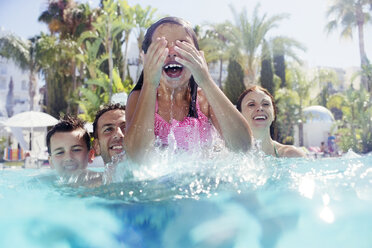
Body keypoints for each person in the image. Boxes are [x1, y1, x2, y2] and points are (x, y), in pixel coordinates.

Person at [124, 16, 252, 163]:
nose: (172, 52)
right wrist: (149, 83)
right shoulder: (138, 98)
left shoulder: (205, 100)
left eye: (182, 44)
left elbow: (243, 147)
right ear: (146, 58)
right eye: (162, 46)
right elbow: (136, 158)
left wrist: (206, 80)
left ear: (199, 56)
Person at [236, 85, 306, 158]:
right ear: (240, 115)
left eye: (265, 104)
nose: (260, 108)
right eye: (251, 104)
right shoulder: (232, 157)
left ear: (273, 114)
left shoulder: (292, 155)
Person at [46, 115, 102, 186]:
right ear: (51, 162)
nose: (69, 158)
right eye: (60, 152)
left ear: (91, 155)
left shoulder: (103, 181)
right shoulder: (41, 184)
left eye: (76, 150)